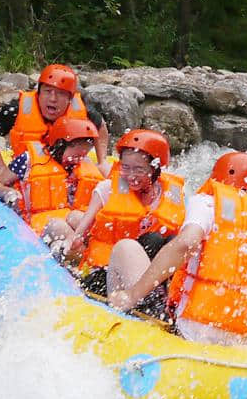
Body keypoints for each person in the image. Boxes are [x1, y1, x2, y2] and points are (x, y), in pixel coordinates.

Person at [109, 151, 247, 343]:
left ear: (216, 179)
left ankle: (114, 324)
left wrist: (132, 295)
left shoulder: (209, 203)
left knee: (126, 248)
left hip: (193, 331)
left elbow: (186, 243)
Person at [63, 129, 186, 314]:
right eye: (125, 167)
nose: (131, 175)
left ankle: (165, 303)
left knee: (161, 240)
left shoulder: (172, 194)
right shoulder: (106, 189)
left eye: (139, 169)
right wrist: (75, 242)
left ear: (155, 169)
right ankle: (152, 307)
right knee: (129, 246)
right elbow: (81, 228)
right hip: (105, 275)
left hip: (145, 277)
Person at [0, 63, 111, 176]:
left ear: (70, 98)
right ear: (39, 93)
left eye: (60, 93)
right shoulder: (17, 110)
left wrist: (102, 161)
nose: (53, 98)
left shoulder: (82, 113)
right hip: (27, 172)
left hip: (68, 172)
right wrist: (1, 167)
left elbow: (101, 127)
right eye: (47, 91)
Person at [0, 116, 104, 236]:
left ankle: (86, 248)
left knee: (78, 217)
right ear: (60, 145)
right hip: (39, 226)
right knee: (58, 226)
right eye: (76, 155)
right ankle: (75, 248)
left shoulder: (83, 166)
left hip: (68, 218)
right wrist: (8, 192)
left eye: (84, 155)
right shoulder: (27, 161)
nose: (79, 159)